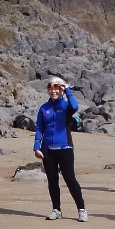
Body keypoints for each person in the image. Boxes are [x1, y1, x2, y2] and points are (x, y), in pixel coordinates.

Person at [33, 77, 88, 221]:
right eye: (51, 88)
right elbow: (39, 127)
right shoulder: (44, 108)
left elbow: (75, 107)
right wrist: (36, 146)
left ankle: (81, 209)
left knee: (70, 179)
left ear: (61, 89)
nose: (53, 91)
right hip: (47, 149)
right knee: (52, 180)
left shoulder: (65, 106)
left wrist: (67, 89)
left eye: (57, 88)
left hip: (65, 147)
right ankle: (56, 209)